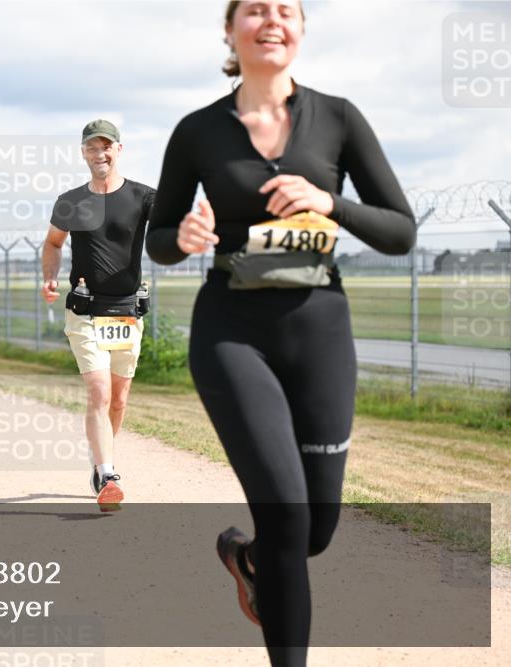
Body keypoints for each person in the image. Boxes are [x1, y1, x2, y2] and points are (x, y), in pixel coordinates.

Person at [146, 2, 416, 665]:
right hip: (231, 332)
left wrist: (331, 202)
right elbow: (159, 238)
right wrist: (183, 237)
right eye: (255, 9)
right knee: (286, 515)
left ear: (300, 29)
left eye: (286, 10)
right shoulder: (198, 130)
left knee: (314, 530)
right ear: (230, 30)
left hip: (320, 331)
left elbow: (401, 230)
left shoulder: (339, 118)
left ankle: (248, 560)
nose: (272, 20)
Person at [41, 119, 155, 509]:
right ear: (83, 152)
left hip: (126, 314)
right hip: (86, 310)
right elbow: (53, 243)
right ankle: (107, 473)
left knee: (118, 401)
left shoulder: (144, 197)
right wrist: (50, 277)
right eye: (92, 147)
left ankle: (100, 460)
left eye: (106, 146)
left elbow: (170, 227)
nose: (99, 153)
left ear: (119, 150)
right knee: (100, 392)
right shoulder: (70, 201)